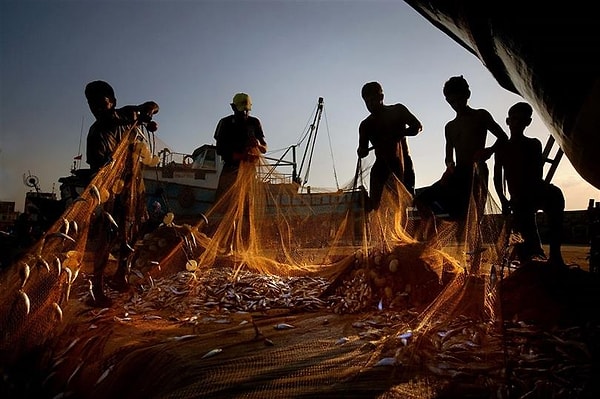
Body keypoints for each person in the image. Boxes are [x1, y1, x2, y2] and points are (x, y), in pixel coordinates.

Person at [84, 80, 159, 306]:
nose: (96, 109)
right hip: (111, 192)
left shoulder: (128, 114)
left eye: (101, 104)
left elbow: (153, 104)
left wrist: (147, 115)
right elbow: (97, 169)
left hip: (135, 187)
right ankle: (96, 288)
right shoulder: (95, 134)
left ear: (112, 102)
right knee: (106, 236)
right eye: (91, 105)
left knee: (133, 231)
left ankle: (121, 275)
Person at [414, 75, 508, 240]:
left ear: (467, 95)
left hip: (477, 173)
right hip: (458, 174)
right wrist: (449, 167)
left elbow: (503, 137)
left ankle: (473, 260)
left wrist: (490, 150)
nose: (456, 105)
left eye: (459, 100)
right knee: (422, 200)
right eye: (451, 102)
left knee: (473, 219)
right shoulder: (450, 127)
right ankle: (433, 238)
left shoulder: (481, 116)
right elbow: (448, 155)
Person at [493, 102, 565, 266]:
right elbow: (497, 178)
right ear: (508, 121)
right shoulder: (502, 147)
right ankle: (531, 255)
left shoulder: (533, 143)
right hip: (518, 198)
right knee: (527, 248)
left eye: (522, 120)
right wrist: (503, 199)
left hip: (534, 191)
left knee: (556, 195)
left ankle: (555, 255)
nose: (517, 123)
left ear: (528, 122)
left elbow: (536, 175)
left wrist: (531, 191)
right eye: (514, 119)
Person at [357, 81, 423, 211]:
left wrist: (400, 133)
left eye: (373, 100)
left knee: (406, 203)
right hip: (381, 168)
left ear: (381, 97)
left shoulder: (397, 110)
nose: (370, 104)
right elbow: (362, 150)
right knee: (375, 206)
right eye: (367, 102)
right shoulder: (366, 125)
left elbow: (417, 126)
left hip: (402, 165)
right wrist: (361, 151)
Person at [213, 92, 267, 202]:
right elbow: (220, 149)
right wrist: (241, 156)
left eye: (246, 110)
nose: (244, 112)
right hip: (230, 170)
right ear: (233, 108)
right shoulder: (225, 123)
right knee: (226, 203)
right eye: (241, 110)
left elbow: (264, 147)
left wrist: (258, 145)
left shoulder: (254, 122)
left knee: (247, 203)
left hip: (249, 171)